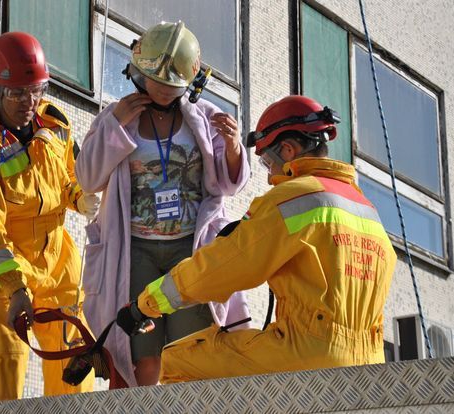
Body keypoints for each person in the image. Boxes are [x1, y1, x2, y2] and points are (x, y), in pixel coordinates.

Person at [116, 95, 397, 383]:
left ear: (288, 150)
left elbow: (221, 268)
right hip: (369, 363)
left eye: (267, 162)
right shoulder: (366, 209)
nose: (269, 175)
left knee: (177, 360)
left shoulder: (292, 198)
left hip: (307, 354)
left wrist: (144, 305)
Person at [75, 21, 251, 387]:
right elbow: (89, 178)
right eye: (157, 82)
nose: (163, 91)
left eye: (173, 86)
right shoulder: (116, 115)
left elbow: (228, 184)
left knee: (190, 349)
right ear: (139, 71)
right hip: (134, 250)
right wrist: (116, 126)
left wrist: (234, 148)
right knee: (142, 353)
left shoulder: (204, 118)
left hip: (190, 248)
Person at [0, 31, 99, 402]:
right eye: (18, 93)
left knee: (74, 367)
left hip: (60, 264)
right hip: (10, 267)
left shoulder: (55, 127)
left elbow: (69, 178)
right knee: (9, 361)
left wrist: (79, 198)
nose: (29, 102)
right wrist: (15, 288)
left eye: (37, 90)